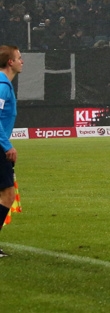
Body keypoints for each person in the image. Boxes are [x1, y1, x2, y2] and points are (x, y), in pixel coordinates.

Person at [0, 45, 24, 258]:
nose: (21, 61)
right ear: (10, 62)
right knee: (7, 195)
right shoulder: (2, 86)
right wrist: (7, 146)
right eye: (19, 58)